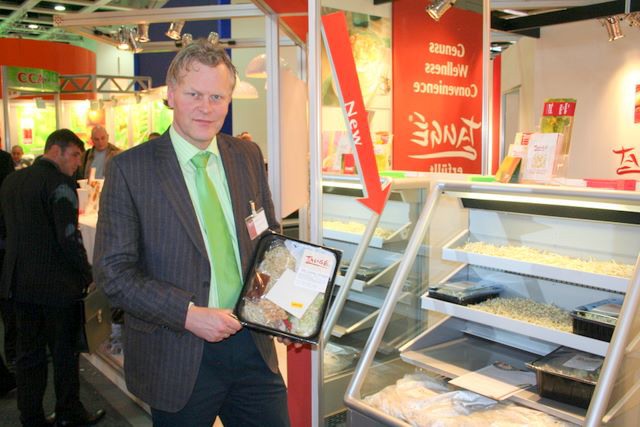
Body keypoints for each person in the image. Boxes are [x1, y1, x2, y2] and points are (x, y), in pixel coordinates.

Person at [93, 40, 290, 427]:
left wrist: (282, 304)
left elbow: (269, 240)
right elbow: (113, 272)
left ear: (229, 100)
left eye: (217, 97)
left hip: (253, 346)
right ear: (171, 94)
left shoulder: (247, 156)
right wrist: (186, 315)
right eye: (194, 94)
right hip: (177, 353)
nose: (206, 107)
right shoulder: (131, 170)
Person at [0, 129, 105, 427]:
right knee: (64, 353)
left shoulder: (12, 181)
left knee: (28, 355)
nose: (77, 163)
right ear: (56, 151)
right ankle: (69, 413)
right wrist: (87, 274)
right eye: (74, 155)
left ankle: (31, 417)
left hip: (19, 283)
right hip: (57, 286)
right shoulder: (60, 184)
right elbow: (68, 238)